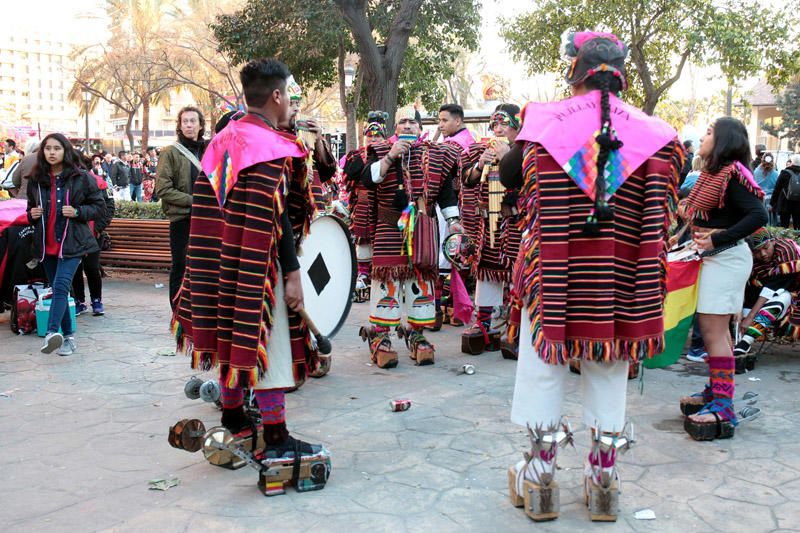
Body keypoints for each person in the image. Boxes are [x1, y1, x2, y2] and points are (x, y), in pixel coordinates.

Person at [500, 31, 681, 522]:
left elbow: (509, 175)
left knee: (544, 364)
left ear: (574, 72)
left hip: (556, 274)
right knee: (610, 365)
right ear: (620, 74)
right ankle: (603, 477)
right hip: (620, 279)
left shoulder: (543, 121)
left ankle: (539, 477)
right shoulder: (658, 134)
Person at [172, 58, 327, 481]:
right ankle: (276, 437)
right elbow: (275, 221)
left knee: (230, 338)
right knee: (270, 347)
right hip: (260, 267)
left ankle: (237, 420)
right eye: (289, 95)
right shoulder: (269, 146)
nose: (291, 102)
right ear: (276, 96)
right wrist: (293, 275)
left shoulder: (222, 141)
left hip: (223, 262)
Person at [678, 117, 768, 441]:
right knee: (716, 332)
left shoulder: (731, 176)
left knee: (714, 332)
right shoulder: (714, 174)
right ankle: (715, 392)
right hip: (717, 260)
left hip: (726, 260)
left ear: (725, 140)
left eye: (710, 132)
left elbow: (760, 216)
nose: (703, 136)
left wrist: (719, 239)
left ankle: (723, 406)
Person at [358, 105, 463, 368]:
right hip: (388, 228)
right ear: (396, 129)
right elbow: (367, 179)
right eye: (402, 122)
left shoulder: (437, 154)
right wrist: (390, 157)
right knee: (386, 284)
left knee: (422, 284)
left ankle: (417, 335)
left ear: (420, 128)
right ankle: (380, 338)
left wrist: (453, 222)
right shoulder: (380, 150)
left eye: (412, 123)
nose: (407, 126)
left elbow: (447, 193)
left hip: (423, 232)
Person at [26, 133, 105, 356]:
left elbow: (99, 206)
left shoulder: (80, 177)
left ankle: (51, 332)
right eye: (48, 148)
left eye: (57, 148)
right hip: (45, 243)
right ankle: (68, 338)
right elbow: (30, 209)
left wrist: (79, 212)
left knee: (60, 287)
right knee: (60, 290)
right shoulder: (36, 179)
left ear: (65, 151)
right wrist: (32, 214)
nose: (52, 152)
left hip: (72, 242)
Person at [460, 103, 521, 355]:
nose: (498, 129)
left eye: (504, 124)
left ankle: (514, 327)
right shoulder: (479, 150)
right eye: (494, 124)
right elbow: (466, 180)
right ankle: (485, 323)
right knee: (487, 269)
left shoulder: (526, 150)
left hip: (517, 223)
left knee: (518, 273)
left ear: (517, 125)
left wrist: (508, 157)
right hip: (488, 225)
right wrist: (478, 166)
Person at [156, 105, 207, 309]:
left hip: (207, 219)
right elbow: (163, 189)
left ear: (201, 125)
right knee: (181, 267)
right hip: (182, 219)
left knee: (204, 267)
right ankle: (177, 312)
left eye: (193, 121)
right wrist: (194, 201)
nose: (189, 125)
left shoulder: (210, 149)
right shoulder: (170, 153)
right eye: (185, 121)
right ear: (179, 125)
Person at [733, 228, 800, 371]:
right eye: (757, 251)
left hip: (795, 295)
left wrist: (750, 317)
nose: (762, 254)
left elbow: (773, 288)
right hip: (772, 294)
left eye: (765, 248)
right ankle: (743, 346)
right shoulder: (751, 260)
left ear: (773, 241)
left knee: (782, 298)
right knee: (748, 308)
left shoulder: (787, 251)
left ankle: (743, 346)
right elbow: (749, 289)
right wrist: (741, 314)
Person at [439, 104, 476, 328]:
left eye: (444, 120)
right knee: (455, 255)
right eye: (439, 121)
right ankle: (450, 308)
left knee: (449, 254)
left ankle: (448, 307)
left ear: (458, 120)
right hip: (459, 206)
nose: (441, 125)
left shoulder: (457, 144)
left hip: (454, 206)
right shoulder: (464, 141)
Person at [342, 111, 387, 297]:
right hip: (362, 203)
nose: (373, 139)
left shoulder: (388, 154)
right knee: (362, 239)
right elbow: (348, 177)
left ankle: (379, 274)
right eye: (370, 136)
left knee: (383, 240)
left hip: (383, 204)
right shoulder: (356, 155)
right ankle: (362, 274)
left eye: (377, 136)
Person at [73, 152, 114, 316]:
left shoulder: (100, 183)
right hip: (73, 234)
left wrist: (98, 228)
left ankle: (96, 300)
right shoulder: (68, 183)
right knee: (75, 268)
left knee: (92, 268)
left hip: (93, 234)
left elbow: (109, 208)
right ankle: (79, 301)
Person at [771, 153, 800, 228]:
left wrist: (773, 203)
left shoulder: (785, 173)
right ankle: (797, 239)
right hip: (798, 204)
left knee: (784, 226)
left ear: (792, 162)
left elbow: (777, 189)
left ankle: (784, 239)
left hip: (785, 203)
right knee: (798, 226)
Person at [754, 152, 778, 225]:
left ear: (762, 160)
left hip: (759, 199)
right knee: (772, 224)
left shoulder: (756, 171)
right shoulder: (776, 173)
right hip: (771, 201)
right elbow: (777, 188)